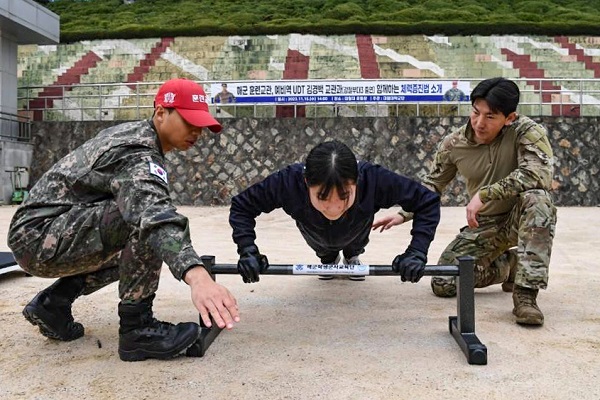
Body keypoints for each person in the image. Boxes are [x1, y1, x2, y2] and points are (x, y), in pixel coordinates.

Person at [7, 78, 239, 361]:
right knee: (141, 222)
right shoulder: (137, 152)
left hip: (42, 234)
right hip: (40, 236)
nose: (197, 131)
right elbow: (153, 214)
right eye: (189, 121)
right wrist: (197, 275)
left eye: (201, 124)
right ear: (161, 113)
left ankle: (53, 305)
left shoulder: (138, 136)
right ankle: (137, 330)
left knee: (133, 245)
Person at [373, 77, 556, 326]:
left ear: (509, 118)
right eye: (475, 112)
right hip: (484, 226)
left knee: (539, 200)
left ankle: (525, 295)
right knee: (443, 282)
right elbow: (432, 185)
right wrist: (404, 213)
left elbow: (538, 174)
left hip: (520, 217)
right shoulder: (453, 144)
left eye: (490, 116)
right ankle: (509, 265)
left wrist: (484, 194)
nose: (480, 123)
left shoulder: (527, 132)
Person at [229, 140, 441, 284]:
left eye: (344, 196)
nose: (334, 208)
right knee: (325, 249)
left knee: (354, 244)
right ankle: (328, 258)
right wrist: (248, 249)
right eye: (322, 197)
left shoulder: (375, 179)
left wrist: (417, 251)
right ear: (305, 182)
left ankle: (352, 256)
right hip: (314, 231)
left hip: (357, 229)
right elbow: (242, 206)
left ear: (357, 181)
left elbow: (427, 202)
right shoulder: (287, 182)